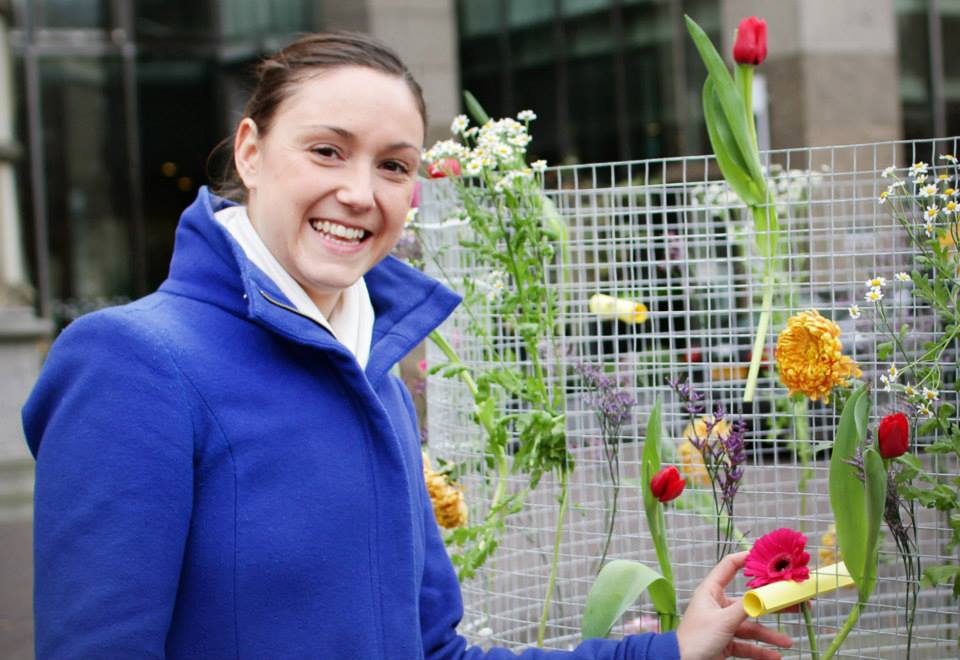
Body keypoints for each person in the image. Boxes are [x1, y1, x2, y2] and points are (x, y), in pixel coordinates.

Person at [22, 32, 792, 660]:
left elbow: (433, 655)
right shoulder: (134, 361)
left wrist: (671, 652)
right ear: (249, 152)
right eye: (327, 150)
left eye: (393, 165)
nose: (362, 192)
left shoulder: (372, 375)